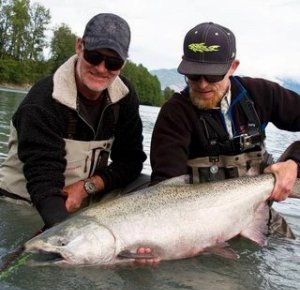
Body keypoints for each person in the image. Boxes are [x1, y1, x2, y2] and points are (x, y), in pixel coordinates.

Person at [150, 22, 300, 238]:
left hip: (259, 218)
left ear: (233, 67)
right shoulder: (174, 114)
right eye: (193, 75)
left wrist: (294, 163)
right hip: (198, 227)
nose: (202, 84)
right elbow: (164, 191)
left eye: (212, 76)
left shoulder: (262, 95)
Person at [0, 13, 147, 230]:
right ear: (79, 46)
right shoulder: (42, 102)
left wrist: (87, 186)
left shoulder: (124, 97)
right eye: (94, 56)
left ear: (123, 64)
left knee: (147, 185)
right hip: (27, 200)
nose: (100, 68)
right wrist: (64, 232)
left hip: (84, 196)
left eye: (113, 62)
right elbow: (44, 182)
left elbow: (131, 161)